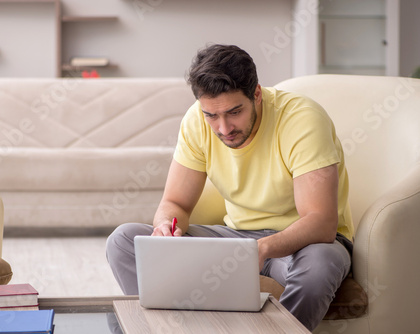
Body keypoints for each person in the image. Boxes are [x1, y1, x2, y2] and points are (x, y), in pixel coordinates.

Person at [106, 44, 354, 331]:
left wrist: (260, 249)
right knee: (124, 241)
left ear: (257, 94)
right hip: (236, 237)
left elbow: (321, 222)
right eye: (211, 115)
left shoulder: (302, 119)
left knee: (318, 268)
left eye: (234, 112)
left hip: (304, 244)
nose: (223, 128)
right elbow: (176, 203)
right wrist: (166, 227)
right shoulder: (195, 121)